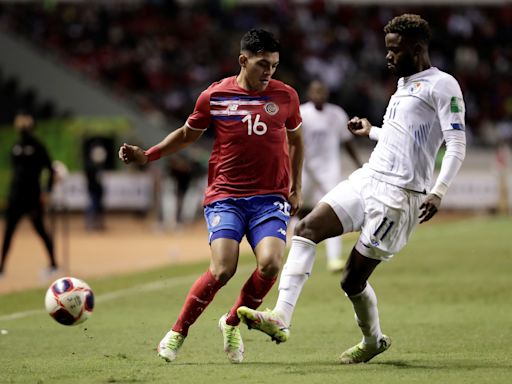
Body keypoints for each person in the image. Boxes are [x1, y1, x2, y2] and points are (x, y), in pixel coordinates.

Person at [237, 14, 466, 364]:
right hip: (369, 178)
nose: (388, 57)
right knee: (307, 228)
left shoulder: (442, 85)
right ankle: (281, 317)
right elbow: (401, 136)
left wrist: (439, 190)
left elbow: (456, 142)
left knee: (351, 281)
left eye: (394, 50)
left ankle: (373, 340)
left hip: (400, 197)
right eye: (387, 50)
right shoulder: (404, 84)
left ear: (417, 49)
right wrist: (371, 130)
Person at [118, 29, 304, 364]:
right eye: (263, 64)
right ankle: (177, 332)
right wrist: (149, 155)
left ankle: (231, 322)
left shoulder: (286, 96)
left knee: (272, 263)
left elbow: (296, 141)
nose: (269, 72)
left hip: (269, 198)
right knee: (222, 269)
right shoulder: (215, 96)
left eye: (274, 66)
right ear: (243, 60)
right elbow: (188, 134)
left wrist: (297, 186)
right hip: (226, 197)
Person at [299, 79, 362, 272]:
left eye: (322, 91)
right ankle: (294, 251)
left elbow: (347, 141)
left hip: (328, 169)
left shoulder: (337, 114)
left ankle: (334, 259)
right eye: (315, 91)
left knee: (333, 210)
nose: (319, 95)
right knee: (299, 210)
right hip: (305, 169)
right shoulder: (302, 112)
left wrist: (358, 164)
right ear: (309, 93)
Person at [0, 111, 58, 277]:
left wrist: (47, 191)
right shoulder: (15, 147)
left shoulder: (38, 146)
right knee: (8, 232)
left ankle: (53, 264)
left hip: (32, 196)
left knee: (41, 231)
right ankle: (2, 268)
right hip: (15, 196)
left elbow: (51, 170)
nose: (22, 126)